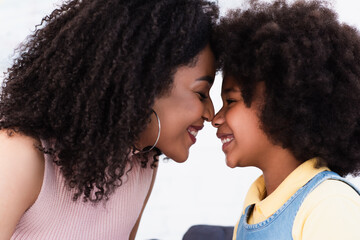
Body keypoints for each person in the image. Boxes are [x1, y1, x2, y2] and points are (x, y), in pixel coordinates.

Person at [0, 0, 218, 239]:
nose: (211, 113)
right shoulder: (20, 155)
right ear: (145, 84)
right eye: (201, 93)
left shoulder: (143, 165)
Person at [212, 0, 360, 239]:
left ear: (282, 103)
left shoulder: (330, 205)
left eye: (230, 101)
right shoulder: (251, 210)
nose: (216, 119)